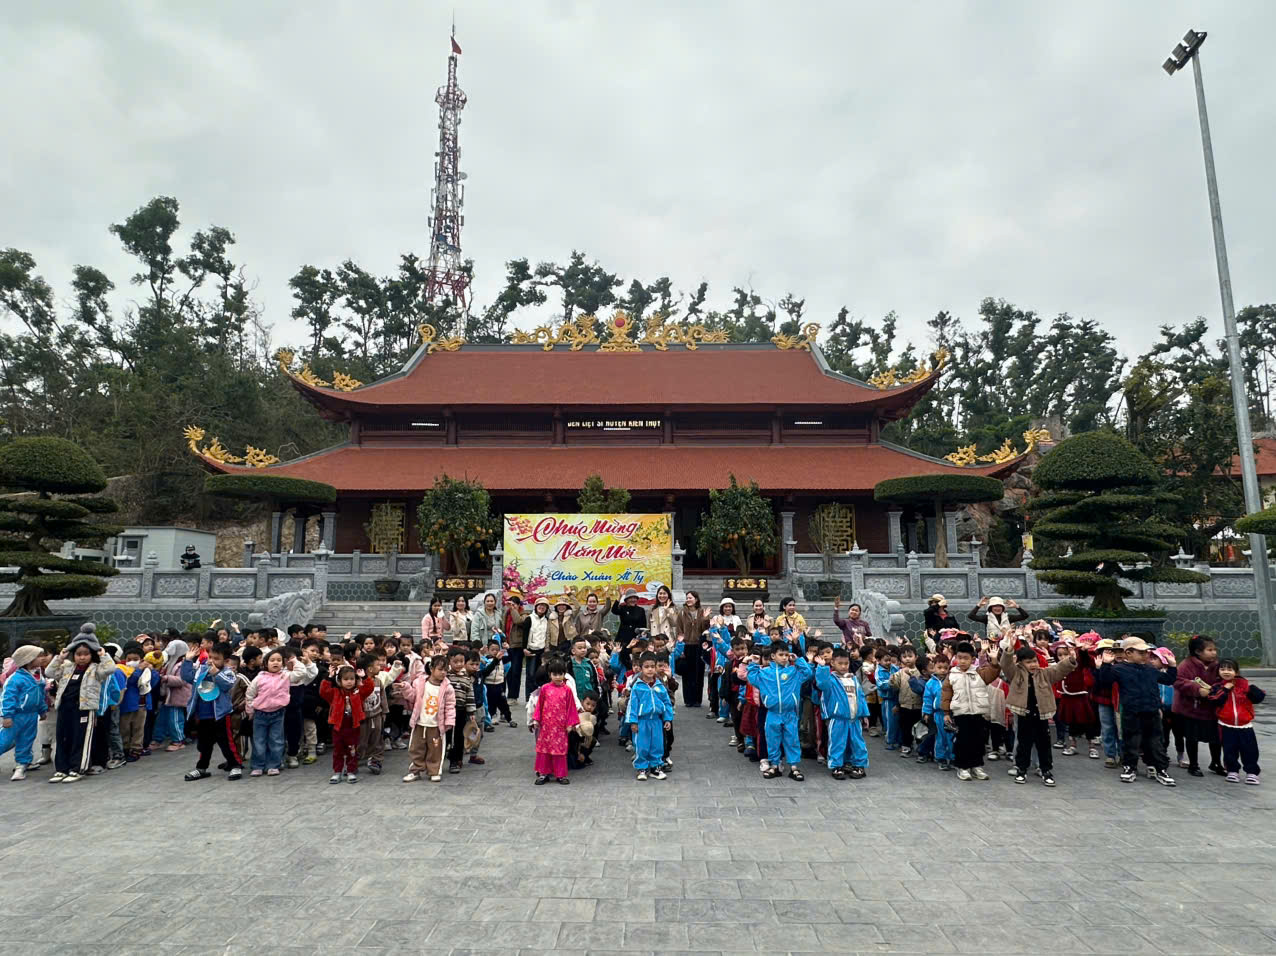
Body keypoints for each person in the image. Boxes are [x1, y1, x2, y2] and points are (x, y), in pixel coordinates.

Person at [1097, 637, 1178, 787]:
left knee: (1156, 742)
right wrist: (1106, 665)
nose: (1145, 655)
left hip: (1152, 711)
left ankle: (1160, 769)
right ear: (1128, 653)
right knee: (1131, 741)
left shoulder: (1150, 669)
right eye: (1141, 652)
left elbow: (1168, 680)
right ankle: (1130, 767)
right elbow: (1105, 682)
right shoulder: (1119, 669)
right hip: (1131, 711)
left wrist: (1172, 666)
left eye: (1146, 652)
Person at [1000, 639, 1077, 788]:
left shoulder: (1044, 673)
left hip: (1041, 714)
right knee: (1023, 743)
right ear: (1021, 663)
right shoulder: (1015, 674)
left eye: (1034, 661)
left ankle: (1046, 770)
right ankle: (1021, 770)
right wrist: (1008, 649)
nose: (1033, 665)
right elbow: (1006, 664)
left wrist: (1071, 660)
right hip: (1024, 714)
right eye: (1028, 662)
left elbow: (1059, 670)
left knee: (1044, 744)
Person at [45, 628, 117, 783]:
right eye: (78, 654)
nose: (82, 657)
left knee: (81, 739)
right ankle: (62, 769)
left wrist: (102, 654)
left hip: (84, 709)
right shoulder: (67, 667)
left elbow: (111, 668)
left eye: (86, 654)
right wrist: (60, 657)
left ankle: (77, 768)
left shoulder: (96, 669)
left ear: (92, 654)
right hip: (65, 708)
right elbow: (49, 672)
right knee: (63, 738)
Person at [746, 640, 813, 781]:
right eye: (781, 655)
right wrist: (753, 664)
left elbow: (808, 673)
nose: (784, 658)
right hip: (772, 713)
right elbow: (752, 678)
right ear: (773, 656)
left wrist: (798, 660)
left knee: (792, 740)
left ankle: (794, 767)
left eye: (786, 655)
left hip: (790, 714)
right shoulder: (765, 673)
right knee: (772, 740)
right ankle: (775, 765)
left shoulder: (793, 671)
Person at [181, 641, 242, 781]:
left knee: (226, 742)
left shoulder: (228, 672)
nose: (211, 661)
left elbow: (227, 685)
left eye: (216, 659)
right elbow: (187, 677)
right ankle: (201, 768)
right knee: (204, 744)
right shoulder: (202, 669)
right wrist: (188, 660)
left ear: (226, 661)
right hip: (203, 715)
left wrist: (216, 674)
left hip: (220, 715)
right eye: (210, 657)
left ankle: (235, 765)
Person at [943, 641, 1000, 781]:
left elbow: (992, 673)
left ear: (972, 659)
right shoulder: (952, 675)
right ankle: (963, 767)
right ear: (955, 657)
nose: (962, 661)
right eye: (959, 657)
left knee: (978, 740)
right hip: (960, 713)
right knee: (963, 741)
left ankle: (977, 766)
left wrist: (994, 661)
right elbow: (946, 695)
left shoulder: (979, 672)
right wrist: (946, 713)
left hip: (978, 713)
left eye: (966, 658)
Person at [1173, 635, 1223, 777]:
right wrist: (1196, 689)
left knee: (1216, 738)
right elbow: (1178, 681)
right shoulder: (1186, 665)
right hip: (1191, 710)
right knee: (1192, 738)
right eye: (1210, 650)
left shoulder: (1217, 666)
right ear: (1198, 651)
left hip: (1212, 710)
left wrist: (1217, 689)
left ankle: (1216, 762)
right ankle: (1193, 764)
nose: (1214, 653)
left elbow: (1225, 680)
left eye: (1214, 650)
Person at [814, 647, 868, 779]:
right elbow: (821, 684)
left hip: (854, 719)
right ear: (833, 663)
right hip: (838, 718)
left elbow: (860, 696)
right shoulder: (830, 679)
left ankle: (858, 765)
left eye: (846, 663)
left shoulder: (853, 679)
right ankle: (836, 766)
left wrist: (864, 714)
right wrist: (822, 668)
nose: (843, 666)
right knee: (837, 743)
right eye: (840, 663)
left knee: (857, 743)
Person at [1208, 659, 1264, 784]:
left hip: (1245, 726)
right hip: (1226, 725)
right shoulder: (1217, 686)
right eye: (1222, 669)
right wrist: (1225, 689)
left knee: (1250, 750)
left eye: (1230, 669)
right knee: (1229, 750)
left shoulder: (1244, 685)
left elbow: (1258, 698)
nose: (1226, 672)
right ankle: (1232, 771)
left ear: (1236, 672)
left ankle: (1252, 772)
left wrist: (1254, 691)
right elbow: (1214, 700)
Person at [319, 664, 375, 784]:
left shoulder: (358, 692)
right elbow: (323, 691)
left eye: (351, 679)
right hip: (338, 727)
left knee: (352, 750)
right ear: (339, 681)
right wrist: (328, 678)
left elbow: (369, 688)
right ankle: (337, 771)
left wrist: (364, 677)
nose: (349, 682)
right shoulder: (335, 692)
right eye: (345, 679)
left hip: (353, 726)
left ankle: (351, 770)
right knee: (338, 750)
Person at [402, 657, 455, 783]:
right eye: (440, 669)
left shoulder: (447, 687)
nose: (443, 673)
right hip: (419, 723)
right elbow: (412, 697)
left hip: (436, 725)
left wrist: (449, 722)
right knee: (416, 748)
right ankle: (415, 770)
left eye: (445, 670)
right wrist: (405, 688)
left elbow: (450, 706)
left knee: (435, 750)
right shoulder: (420, 683)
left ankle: (434, 771)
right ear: (431, 669)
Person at [1, 645, 48, 781]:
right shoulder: (15, 679)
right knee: (4, 740)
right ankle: (22, 764)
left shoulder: (38, 677)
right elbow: (7, 697)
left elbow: (40, 696)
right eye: (38, 656)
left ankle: (22, 765)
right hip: (16, 716)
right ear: (28, 660)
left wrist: (42, 710)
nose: (42, 658)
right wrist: (7, 715)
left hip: (31, 715)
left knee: (27, 740)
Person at [530, 658, 579, 785]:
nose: (558, 677)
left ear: (564, 674)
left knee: (560, 750)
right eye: (555, 674)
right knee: (544, 750)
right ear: (549, 674)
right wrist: (536, 719)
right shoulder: (545, 688)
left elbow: (571, 708)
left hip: (560, 727)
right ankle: (543, 774)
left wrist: (570, 724)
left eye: (560, 674)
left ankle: (560, 775)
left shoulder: (567, 690)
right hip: (546, 726)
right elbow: (539, 706)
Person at [245, 648, 291, 776]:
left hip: (278, 713)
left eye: (279, 660)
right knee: (259, 740)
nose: (275, 662)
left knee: (276, 740)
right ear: (266, 663)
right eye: (272, 660)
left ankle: (274, 765)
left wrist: (295, 662)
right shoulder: (259, 678)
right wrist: (250, 710)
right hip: (260, 714)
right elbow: (250, 694)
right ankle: (258, 765)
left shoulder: (285, 676)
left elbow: (301, 674)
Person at [156, 638, 192, 751]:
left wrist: (166, 678)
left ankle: (178, 740)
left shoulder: (184, 664)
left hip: (177, 697)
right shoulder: (170, 662)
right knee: (161, 720)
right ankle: (157, 739)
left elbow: (183, 680)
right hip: (168, 696)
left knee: (175, 720)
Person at [445, 646, 475, 774]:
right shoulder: (445, 676)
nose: (458, 664)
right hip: (447, 710)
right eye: (455, 661)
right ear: (449, 661)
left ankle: (457, 759)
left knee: (458, 736)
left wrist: (471, 711)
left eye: (461, 661)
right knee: (448, 735)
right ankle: (446, 756)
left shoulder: (466, 678)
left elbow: (470, 695)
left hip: (461, 710)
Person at [921, 656, 953, 770]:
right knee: (940, 737)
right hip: (938, 714)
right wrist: (926, 712)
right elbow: (927, 699)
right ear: (933, 667)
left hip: (951, 714)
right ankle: (941, 758)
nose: (943, 670)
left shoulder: (952, 680)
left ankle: (953, 757)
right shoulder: (930, 683)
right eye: (939, 667)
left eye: (945, 668)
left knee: (952, 737)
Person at [891, 645, 922, 757]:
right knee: (905, 727)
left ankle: (919, 746)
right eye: (904, 657)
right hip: (904, 705)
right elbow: (895, 688)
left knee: (919, 728)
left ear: (916, 657)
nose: (907, 659)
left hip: (918, 705)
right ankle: (906, 746)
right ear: (900, 659)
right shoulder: (899, 673)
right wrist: (892, 681)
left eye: (910, 656)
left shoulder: (920, 672)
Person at [482, 640, 514, 727]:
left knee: (503, 703)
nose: (495, 652)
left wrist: (508, 649)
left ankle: (509, 718)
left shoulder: (502, 659)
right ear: (488, 650)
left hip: (499, 684)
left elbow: (511, 657)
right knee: (490, 702)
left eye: (497, 650)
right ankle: (492, 716)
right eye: (492, 650)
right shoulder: (485, 660)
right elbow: (485, 672)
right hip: (489, 684)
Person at [524, 598, 551, 698]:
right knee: (530, 675)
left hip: (542, 650)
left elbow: (547, 635)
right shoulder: (529, 619)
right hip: (531, 650)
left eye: (544, 606)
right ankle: (529, 697)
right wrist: (524, 648)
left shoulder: (547, 620)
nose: (542, 607)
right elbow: (525, 635)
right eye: (540, 605)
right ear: (535, 607)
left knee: (542, 674)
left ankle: (541, 697)